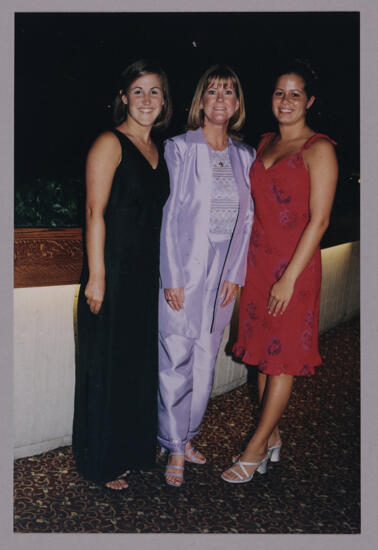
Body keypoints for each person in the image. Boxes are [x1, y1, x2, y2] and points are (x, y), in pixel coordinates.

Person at [221, 60, 338, 483]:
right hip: (257, 266)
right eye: (278, 93)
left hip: (296, 271)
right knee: (260, 356)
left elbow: (320, 221)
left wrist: (288, 277)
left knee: (281, 359)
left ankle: (254, 448)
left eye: (294, 94)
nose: (286, 100)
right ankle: (273, 437)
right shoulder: (265, 142)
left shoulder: (318, 148)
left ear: (308, 101)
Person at [72, 59, 172, 490]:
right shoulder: (109, 143)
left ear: (164, 100)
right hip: (111, 270)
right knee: (106, 365)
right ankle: (101, 461)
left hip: (145, 273)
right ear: (123, 97)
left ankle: (130, 451)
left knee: (134, 364)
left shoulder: (160, 149)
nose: (146, 100)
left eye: (154, 91)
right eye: (138, 91)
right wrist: (97, 276)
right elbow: (95, 212)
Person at [158, 64, 256, 487]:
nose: (220, 99)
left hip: (223, 273)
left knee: (205, 360)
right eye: (213, 91)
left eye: (229, 92)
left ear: (237, 104)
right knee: (175, 356)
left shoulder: (245, 155)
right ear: (202, 100)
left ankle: (187, 435)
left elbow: (248, 222)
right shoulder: (179, 148)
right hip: (184, 266)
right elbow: (168, 218)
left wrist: (235, 272)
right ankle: (174, 446)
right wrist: (172, 277)